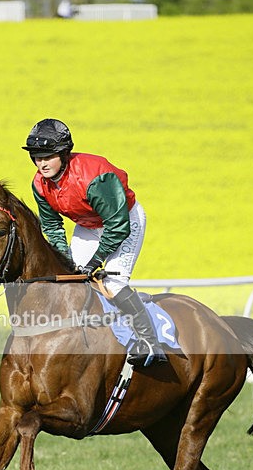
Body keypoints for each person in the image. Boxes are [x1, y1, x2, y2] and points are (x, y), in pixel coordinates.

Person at [22, 117, 167, 367]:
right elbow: (52, 226)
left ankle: (150, 342)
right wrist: (64, 259)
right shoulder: (39, 184)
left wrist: (96, 261)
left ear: (63, 153)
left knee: (112, 284)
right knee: (70, 280)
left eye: (47, 156)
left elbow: (118, 225)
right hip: (89, 225)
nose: (41, 163)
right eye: (36, 156)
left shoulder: (94, 177)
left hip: (124, 222)